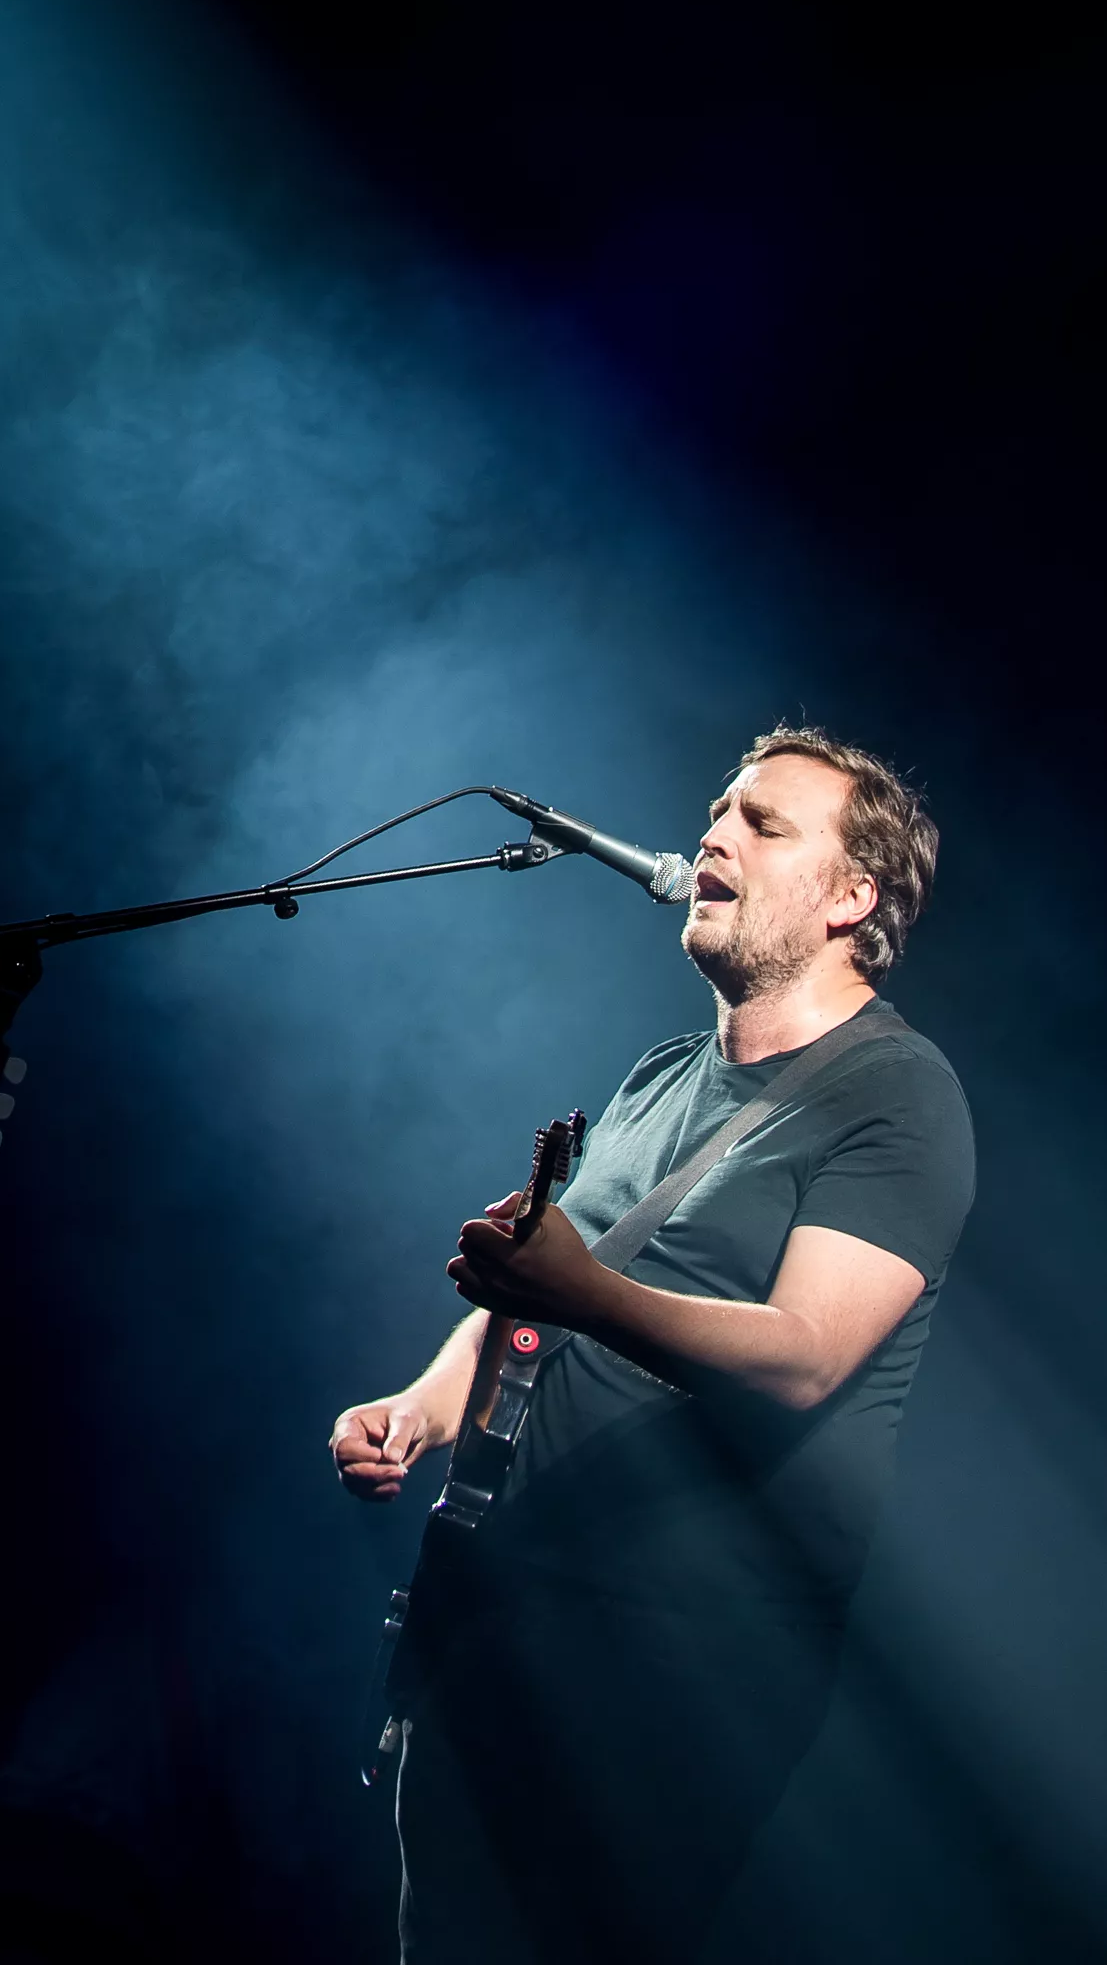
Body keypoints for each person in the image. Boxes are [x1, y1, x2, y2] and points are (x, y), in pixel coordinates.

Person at [331, 727, 974, 1964]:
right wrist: (423, 1404)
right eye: (718, 810)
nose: (714, 835)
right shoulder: (663, 1073)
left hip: (685, 1657)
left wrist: (577, 1290)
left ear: (852, 896)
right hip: (510, 1612)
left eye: (763, 823)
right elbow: (539, 1290)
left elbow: (807, 1354)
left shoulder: (899, 1091)